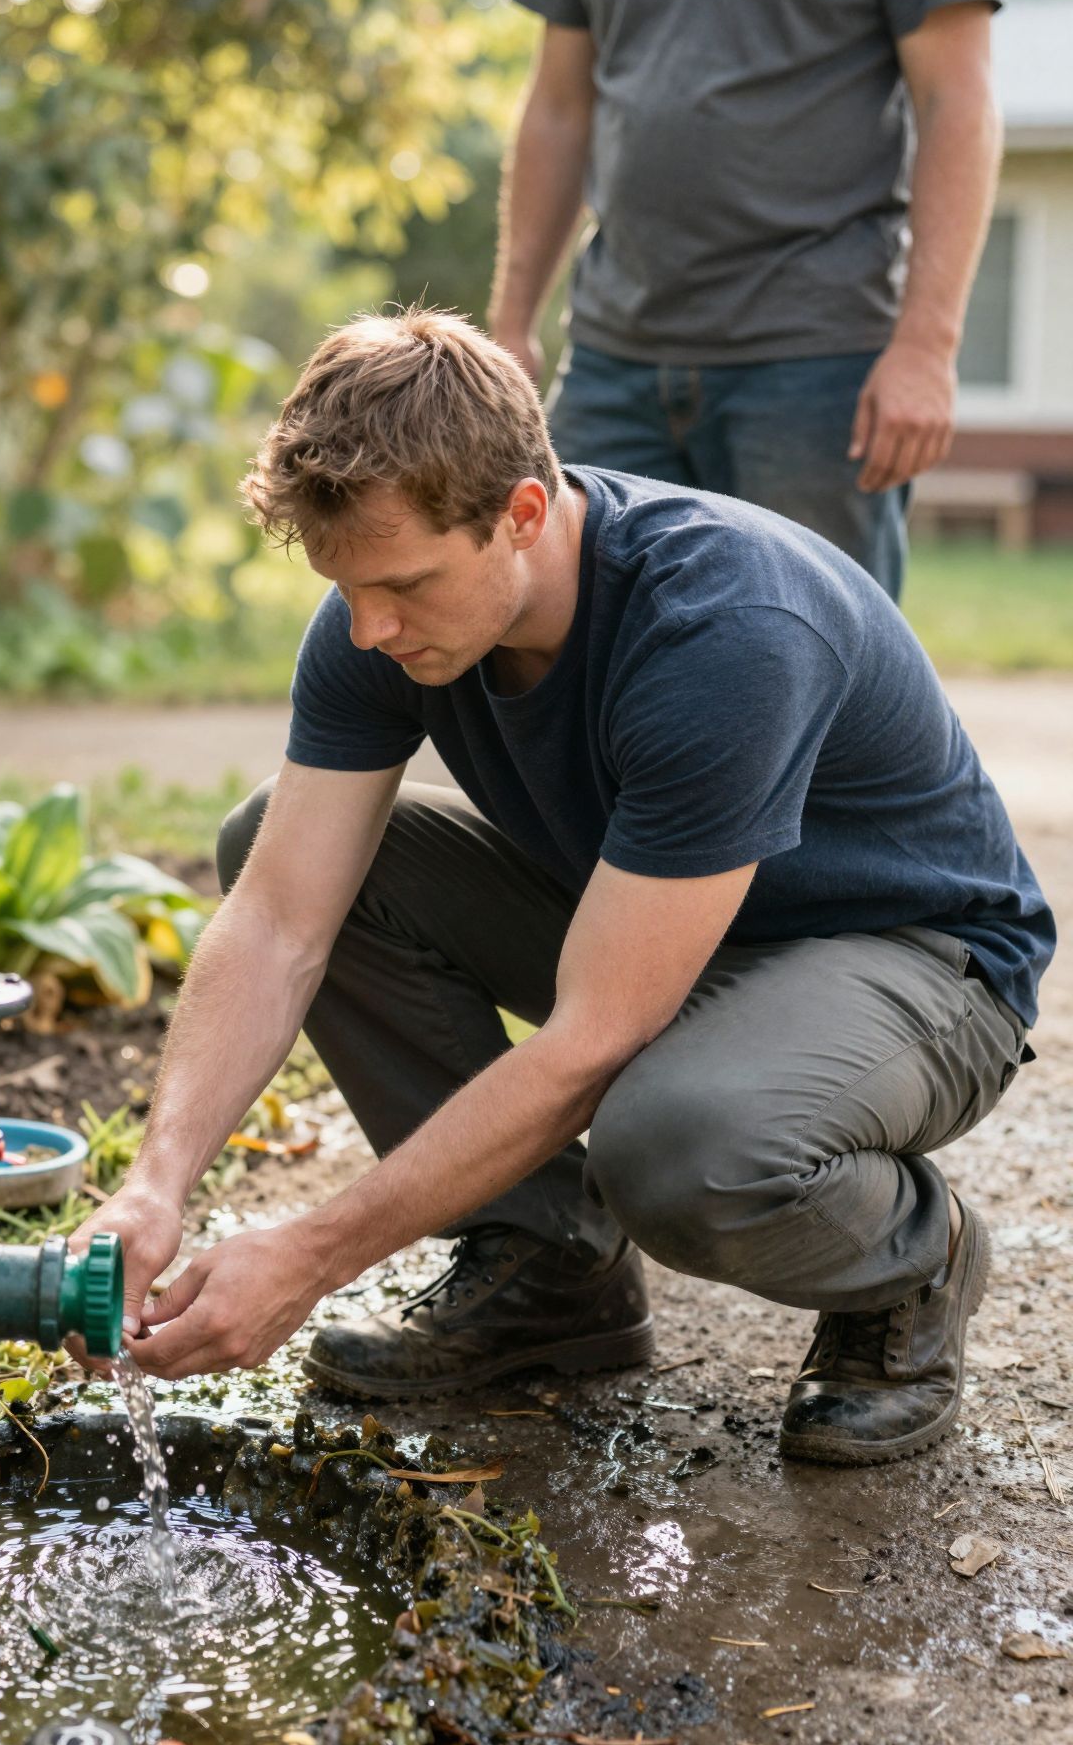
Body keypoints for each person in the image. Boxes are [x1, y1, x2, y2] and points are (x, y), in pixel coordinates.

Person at [86, 310, 1052, 1468]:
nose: (369, 627)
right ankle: (546, 1265)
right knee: (273, 844)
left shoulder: (722, 626)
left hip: (913, 960)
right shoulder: (375, 620)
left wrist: (309, 1252)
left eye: (403, 585)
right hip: (660, 920)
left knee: (676, 1143)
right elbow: (282, 917)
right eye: (346, 588)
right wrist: (154, 1183)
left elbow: (596, 1037)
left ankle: (916, 1256)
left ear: (524, 514)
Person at [488, 0, 1006, 603]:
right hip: (615, 358)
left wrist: (928, 345)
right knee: (579, 666)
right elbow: (559, 108)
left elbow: (958, 101)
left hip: (816, 367)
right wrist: (511, 324)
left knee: (811, 668)